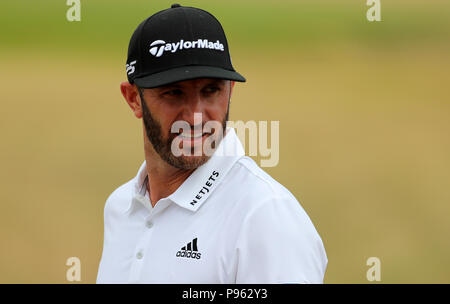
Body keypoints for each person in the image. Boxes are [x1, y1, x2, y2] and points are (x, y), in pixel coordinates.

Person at [96, 3, 327, 284]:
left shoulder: (264, 217)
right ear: (133, 99)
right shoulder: (120, 207)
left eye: (211, 90)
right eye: (173, 93)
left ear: (230, 92)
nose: (195, 117)